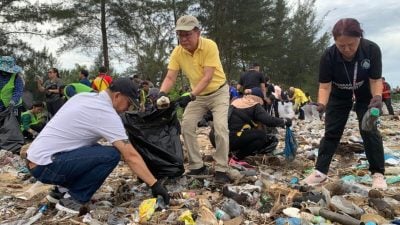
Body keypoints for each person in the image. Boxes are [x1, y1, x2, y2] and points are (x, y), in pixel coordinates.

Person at [26, 78, 169, 214]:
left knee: (96, 149)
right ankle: (73, 199)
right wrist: (154, 185)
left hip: (37, 159)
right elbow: (129, 155)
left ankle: (60, 191)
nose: (127, 109)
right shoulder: (105, 113)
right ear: (117, 96)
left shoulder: (83, 97)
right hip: (46, 166)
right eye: (128, 103)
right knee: (111, 155)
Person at [302, 18, 387, 189]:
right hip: (339, 94)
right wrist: (321, 104)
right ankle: (320, 172)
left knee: (369, 130)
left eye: (351, 45)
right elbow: (325, 86)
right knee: (331, 131)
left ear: (359, 39)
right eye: (342, 46)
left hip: (365, 95)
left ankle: (377, 173)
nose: (347, 49)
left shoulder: (371, 50)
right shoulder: (328, 56)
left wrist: (377, 97)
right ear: (335, 42)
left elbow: (375, 79)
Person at [156, 15, 231, 183]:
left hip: (218, 92)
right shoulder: (178, 52)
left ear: (198, 32)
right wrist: (162, 93)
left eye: (187, 34)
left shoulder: (210, 46)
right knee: (187, 126)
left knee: (220, 128)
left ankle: (221, 168)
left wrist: (190, 95)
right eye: (180, 35)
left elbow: (207, 77)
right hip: (198, 95)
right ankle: (197, 165)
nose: (183, 39)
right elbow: (170, 77)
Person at [226, 87, 291, 161]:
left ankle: (228, 152)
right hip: (232, 140)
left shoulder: (235, 101)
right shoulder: (254, 105)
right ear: (259, 98)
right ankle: (237, 158)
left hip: (219, 139)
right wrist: (284, 121)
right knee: (261, 136)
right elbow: (269, 120)